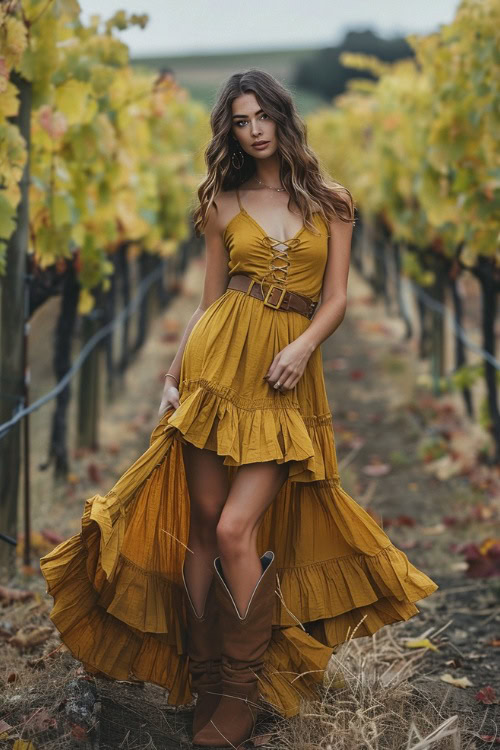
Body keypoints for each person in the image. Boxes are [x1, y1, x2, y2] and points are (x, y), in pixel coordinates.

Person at [40, 69, 439, 749]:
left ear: (283, 118)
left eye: (262, 117)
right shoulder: (221, 204)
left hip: (285, 376)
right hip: (215, 370)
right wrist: (172, 377)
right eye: (239, 121)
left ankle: (240, 693)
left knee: (234, 529)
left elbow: (337, 297)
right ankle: (204, 678)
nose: (253, 131)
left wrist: (306, 345)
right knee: (201, 525)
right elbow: (207, 303)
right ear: (229, 130)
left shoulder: (332, 201)